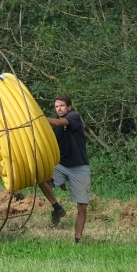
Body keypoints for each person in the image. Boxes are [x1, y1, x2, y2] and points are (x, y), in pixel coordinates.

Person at [38, 94, 90, 243]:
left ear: (68, 107)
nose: (59, 108)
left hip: (80, 167)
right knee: (41, 178)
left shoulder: (74, 117)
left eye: (61, 106)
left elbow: (57, 122)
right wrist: (61, 178)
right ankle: (57, 208)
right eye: (56, 106)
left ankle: (77, 240)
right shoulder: (57, 129)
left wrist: (38, 118)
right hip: (62, 166)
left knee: (82, 206)